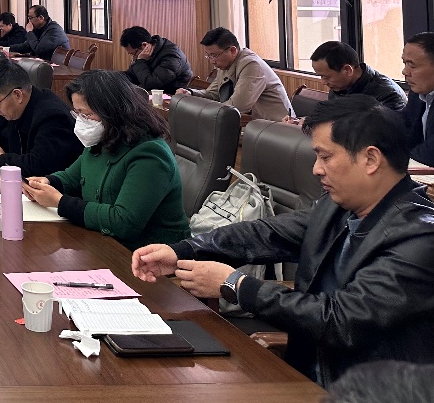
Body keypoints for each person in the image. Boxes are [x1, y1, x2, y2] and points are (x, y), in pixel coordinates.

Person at [131, 96, 434, 386]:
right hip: (305, 375)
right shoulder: (339, 208)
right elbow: (264, 234)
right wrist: (182, 251)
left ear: (370, 159)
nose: (316, 169)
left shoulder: (420, 238)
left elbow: (341, 321)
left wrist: (236, 286)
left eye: (326, 156)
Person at [25, 69, 190, 250]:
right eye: (77, 114)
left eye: (86, 115)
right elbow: (71, 177)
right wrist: (48, 182)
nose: (82, 121)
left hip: (150, 253)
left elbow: (123, 222)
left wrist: (60, 202)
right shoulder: (104, 138)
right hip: (104, 241)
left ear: (112, 111)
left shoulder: (150, 154)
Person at [0, 55, 83, 175]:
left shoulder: (52, 117)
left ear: (17, 95)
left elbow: (39, 165)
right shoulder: (22, 107)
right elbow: (6, 137)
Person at [181, 27, 293, 120]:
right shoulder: (225, 64)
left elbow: (237, 106)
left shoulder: (251, 65)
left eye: (214, 55)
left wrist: (204, 113)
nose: (212, 61)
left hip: (278, 126)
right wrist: (190, 93)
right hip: (256, 125)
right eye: (208, 55)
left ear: (233, 50)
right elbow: (213, 94)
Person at [308, 41, 405, 112]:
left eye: (326, 77)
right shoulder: (339, 87)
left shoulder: (388, 95)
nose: (323, 82)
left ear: (347, 70)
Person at [120, 26, 193, 92]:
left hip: (173, 97)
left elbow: (151, 84)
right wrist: (115, 78)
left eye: (134, 53)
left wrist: (141, 61)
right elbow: (131, 76)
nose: (133, 57)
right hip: (154, 95)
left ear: (144, 45)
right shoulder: (145, 55)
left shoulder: (171, 56)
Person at [400, 32, 434, 165]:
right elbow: (402, 127)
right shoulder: (418, 93)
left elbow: (429, 154)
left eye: (412, 65)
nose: (405, 72)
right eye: (405, 63)